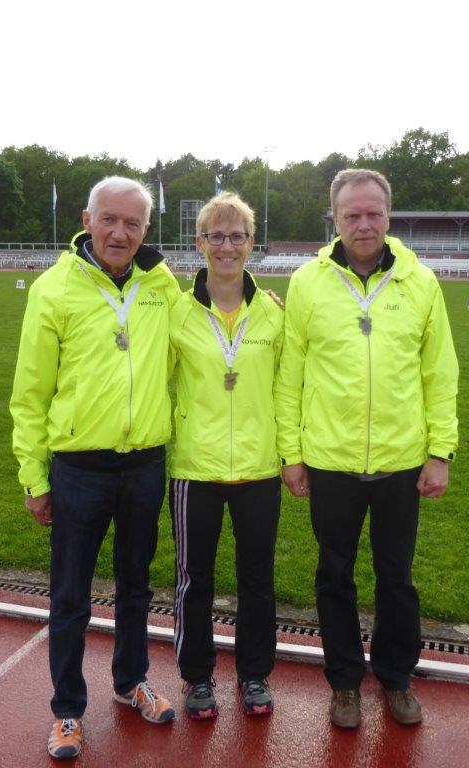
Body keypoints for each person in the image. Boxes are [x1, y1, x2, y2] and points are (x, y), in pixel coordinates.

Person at [274, 169, 459, 729]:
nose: (363, 224)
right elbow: (290, 373)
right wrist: (291, 453)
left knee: (396, 577)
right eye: (352, 214)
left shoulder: (420, 282)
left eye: (373, 213)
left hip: (402, 462)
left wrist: (439, 452)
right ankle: (344, 683)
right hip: (330, 460)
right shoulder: (308, 283)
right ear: (334, 218)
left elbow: (439, 372)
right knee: (334, 575)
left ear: (388, 216)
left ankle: (397, 677)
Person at [10, 176, 181, 759]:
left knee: (136, 586)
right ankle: (67, 710)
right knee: (71, 596)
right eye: (109, 219)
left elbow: (204, 330)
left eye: (132, 223)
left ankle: (131, 681)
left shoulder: (161, 284)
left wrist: (260, 308)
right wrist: (34, 477)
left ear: (146, 229)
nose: (120, 232)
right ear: (87, 220)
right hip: (79, 469)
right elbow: (30, 393)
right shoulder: (53, 288)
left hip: (145, 465)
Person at [168, 192, 284, 719]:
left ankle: (254, 674)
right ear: (200, 242)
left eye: (237, 236)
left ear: (251, 243)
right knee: (195, 580)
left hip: (259, 468)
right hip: (196, 468)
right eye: (216, 236)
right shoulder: (177, 311)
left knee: (257, 579)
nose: (227, 246)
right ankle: (197, 678)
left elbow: (287, 388)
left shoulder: (274, 312)